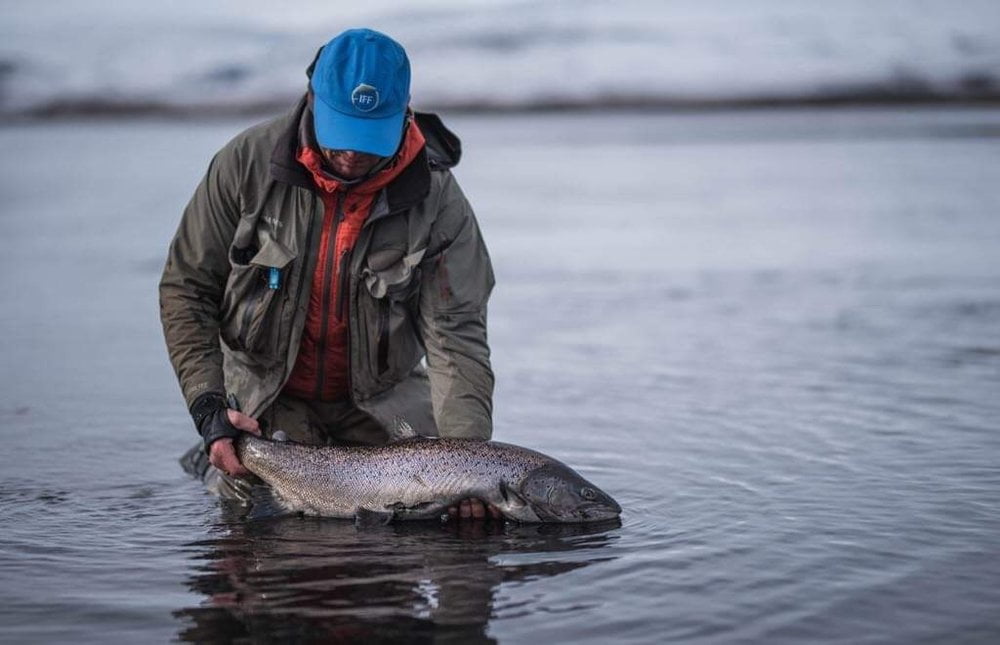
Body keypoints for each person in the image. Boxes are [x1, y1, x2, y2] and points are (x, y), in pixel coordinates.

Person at [160, 28, 499, 520]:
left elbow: (457, 337)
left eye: (369, 139)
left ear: (404, 114)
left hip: (384, 405)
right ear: (311, 99)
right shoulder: (244, 165)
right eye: (340, 134)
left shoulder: (439, 200)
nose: (351, 155)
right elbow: (186, 290)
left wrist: (468, 465)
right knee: (248, 521)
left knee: (436, 518)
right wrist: (208, 408)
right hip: (266, 400)